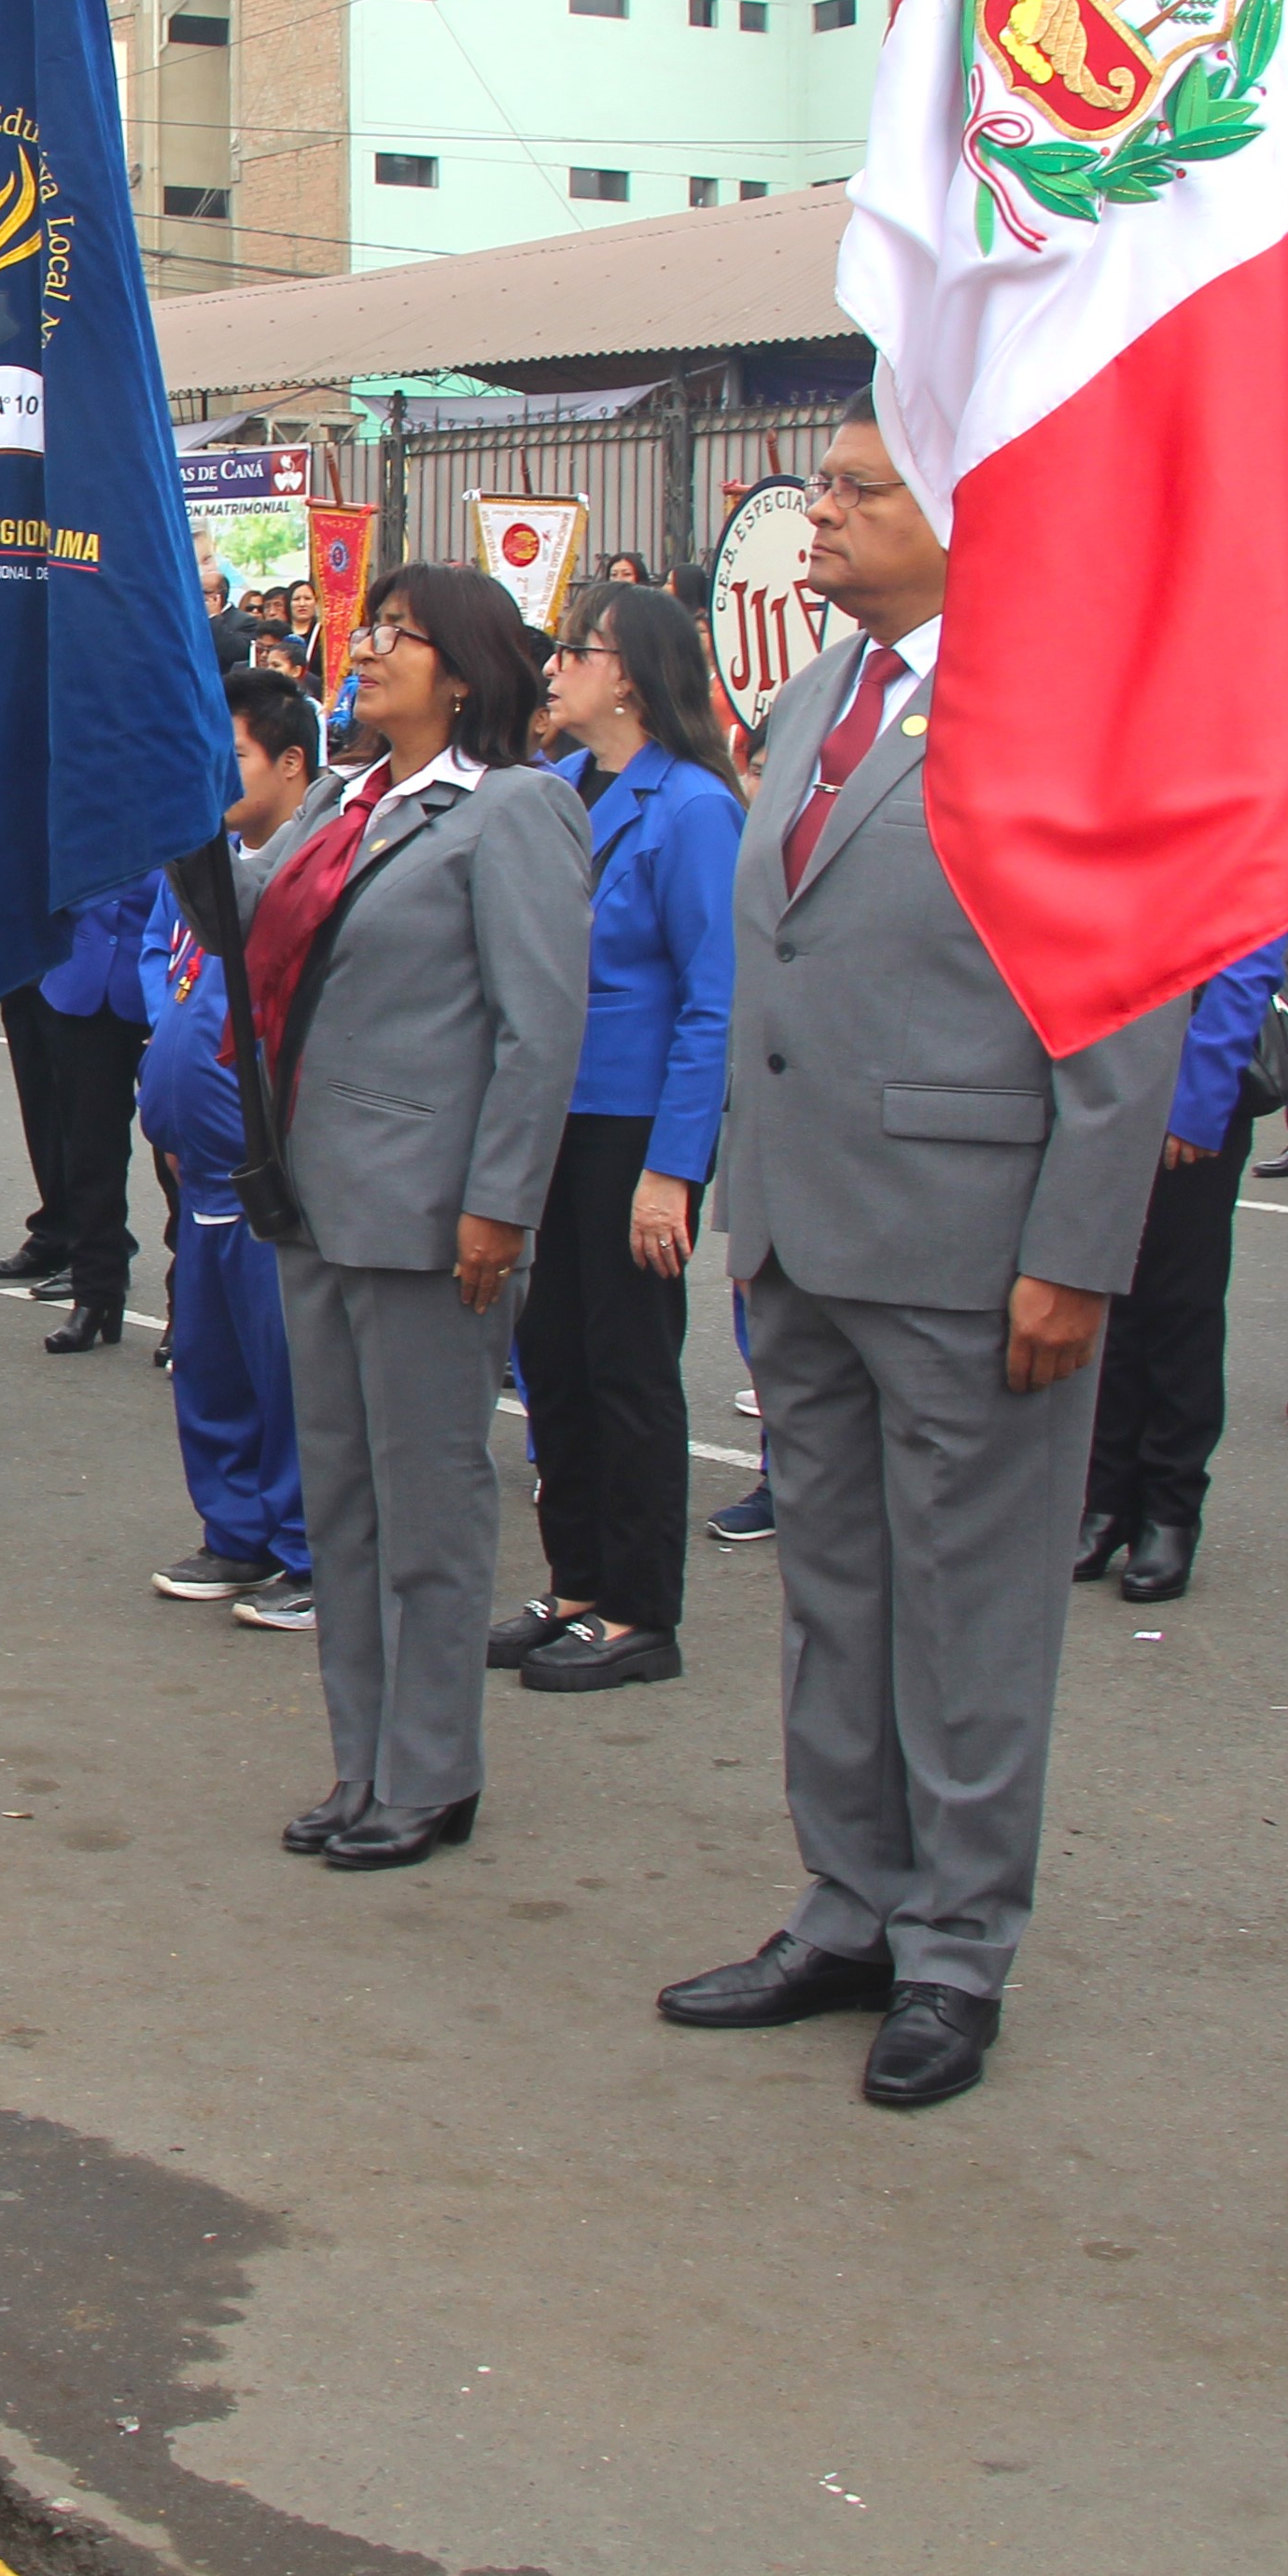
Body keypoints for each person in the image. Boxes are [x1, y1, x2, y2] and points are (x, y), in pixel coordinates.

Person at [657, 396, 1176, 2107]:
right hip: (805, 1233)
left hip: (971, 1241)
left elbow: (1118, 994)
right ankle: (848, 1905)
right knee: (837, 1597)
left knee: (969, 1617)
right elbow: (786, 959)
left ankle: (956, 1947)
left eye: (859, 489)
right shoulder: (819, 696)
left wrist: (1074, 1249)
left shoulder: (1058, 704)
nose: (817, 513)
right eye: (822, 483)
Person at [243, 566, 589, 1872]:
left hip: (429, 1211)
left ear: (466, 672)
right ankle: (364, 1760)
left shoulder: (514, 811)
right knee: (343, 1502)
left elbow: (538, 1026)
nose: (372, 648)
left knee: (429, 1504)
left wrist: (500, 1204)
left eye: (403, 634)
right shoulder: (347, 800)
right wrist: (172, 817)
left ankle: (432, 1771)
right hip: (317, 1197)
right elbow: (250, 925)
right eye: (373, 627)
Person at [501, 580, 745, 1696]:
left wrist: (671, 1171)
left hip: (630, 1126)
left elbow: (712, 1000)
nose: (555, 667)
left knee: (627, 1369)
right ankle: (577, 1582)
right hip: (549, 1117)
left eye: (576, 650)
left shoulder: (691, 807)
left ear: (632, 677)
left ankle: (642, 1609)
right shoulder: (557, 787)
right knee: (553, 1360)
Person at [141, 669, 320, 1628]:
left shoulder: (313, 865)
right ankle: (237, 1530)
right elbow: (163, 964)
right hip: (199, 1160)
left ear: (291, 765)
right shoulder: (206, 863)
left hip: (269, 1169)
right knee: (210, 1362)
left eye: (235, 758)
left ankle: (309, 1548)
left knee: (286, 1366)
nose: (217, 777)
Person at [1077, 932, 1288, 1603]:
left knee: (1178, 1303)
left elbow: (1250, 955)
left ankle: (1170, 1507)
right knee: (1099, 1294)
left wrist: (1201, 1098)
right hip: (1097, 1070)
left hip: (1188, 1074)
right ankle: (1103, 1496)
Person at [0, 884, 156, 1351]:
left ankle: (189, 1308)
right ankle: (96, 1293)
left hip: (162, 983)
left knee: (180, 1161)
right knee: (90, 1153)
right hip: (81, 983)